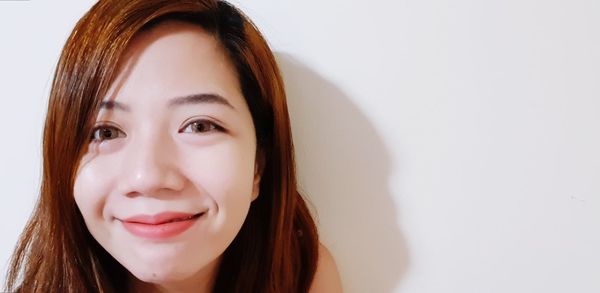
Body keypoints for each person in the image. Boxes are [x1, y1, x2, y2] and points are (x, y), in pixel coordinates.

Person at [4, 0, 343, 292]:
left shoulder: (300, 274)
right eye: (105, 132)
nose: (147, 177)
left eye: (199, 126)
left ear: (259, 165)